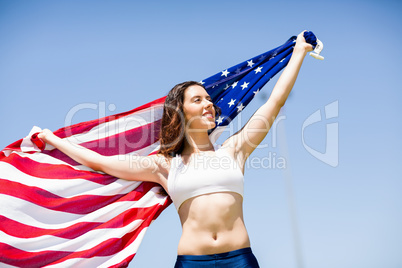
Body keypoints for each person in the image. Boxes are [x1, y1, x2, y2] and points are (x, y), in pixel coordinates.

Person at [38, 31, 313, 267]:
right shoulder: (164, 165)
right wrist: (56, 140)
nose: (208, 104)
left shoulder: (234, 150)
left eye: (209, 99)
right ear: (180, 112)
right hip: (192, 261)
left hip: (240, 259)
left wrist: (299, 52)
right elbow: (102, 164)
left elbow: (273, 103)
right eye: (198, 99)